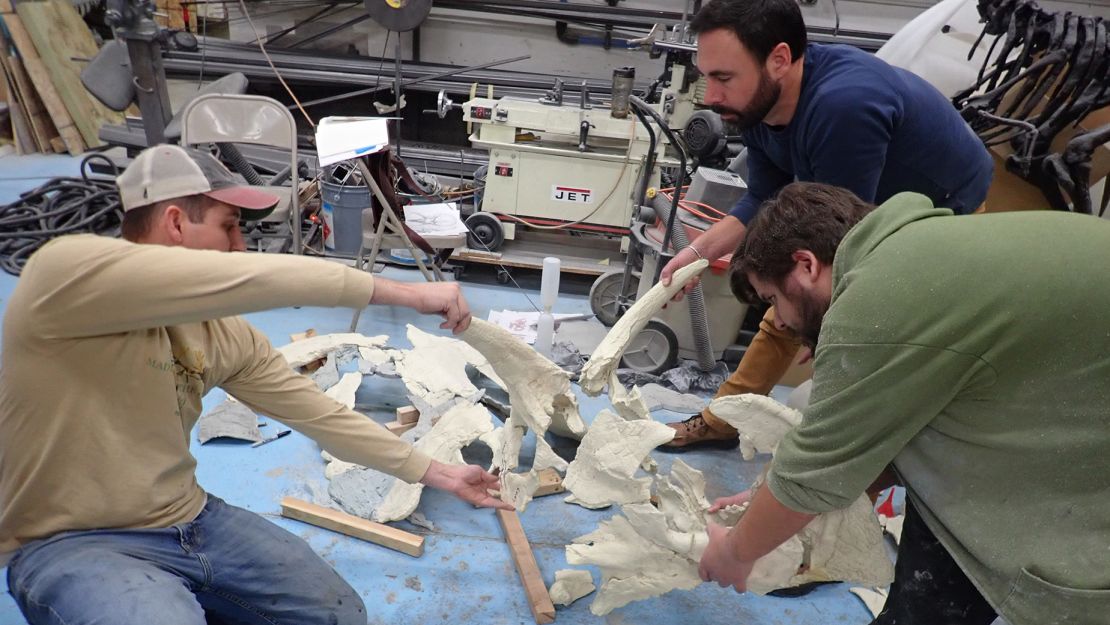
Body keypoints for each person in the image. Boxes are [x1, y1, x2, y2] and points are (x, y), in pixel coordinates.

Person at [0, 144, 513, 625]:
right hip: (70, 540)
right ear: (176, 223)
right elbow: (261, 278)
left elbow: (318, 415)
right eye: (229, 227)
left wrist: (439, 473)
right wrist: (404, 293)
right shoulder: (62, 277)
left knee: (337, 614)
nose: (240, 246)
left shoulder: (222, 335)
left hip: (189, 518)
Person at [698, 181, 1110, 625]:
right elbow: (881, 429)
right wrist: (772, 499)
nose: (777, 319)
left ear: (805, 264)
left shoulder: (878, 296)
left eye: (772, 300)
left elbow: (815, 468)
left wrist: (737, 552)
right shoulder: (913, 252)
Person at [658, 0, 993, 450]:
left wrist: (817, 325)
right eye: (707, 77)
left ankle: (846, 444)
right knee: (795, 302)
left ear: (778, 59)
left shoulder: (843, 107)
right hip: (862, 201)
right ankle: (727, 419)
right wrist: (696, 255)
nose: (712, 98)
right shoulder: (758, 104)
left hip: (949, 206)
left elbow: (840, 244)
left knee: (825, 309)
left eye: (723, 78)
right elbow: (762, 199)